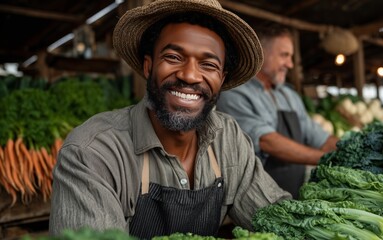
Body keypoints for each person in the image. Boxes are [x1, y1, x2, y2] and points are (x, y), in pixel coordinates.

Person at [48, 0, 291, 239]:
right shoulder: (93, 153)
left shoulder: (228, 139)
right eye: (174, 57)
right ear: (148, 66)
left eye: (208, 64)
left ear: (221, 79)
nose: (189, 76)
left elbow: (278, 220)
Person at [216, 24, 339, 199]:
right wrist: (326, 159)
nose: (290, 64)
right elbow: (267, 141)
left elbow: (317, 135)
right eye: (284, 55)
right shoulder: (235, 93)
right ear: (262, 53)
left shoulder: (289, 95)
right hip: (256, 198)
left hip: (295, 190)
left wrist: (348, 150)